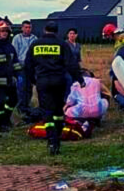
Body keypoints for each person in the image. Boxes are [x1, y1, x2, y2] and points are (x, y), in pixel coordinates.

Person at [25, 22, 84, 155]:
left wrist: (33, 80)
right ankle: (57, 138)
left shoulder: (36, 44)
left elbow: (28, 65)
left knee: (47, 112)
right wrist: (80, 79)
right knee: (58, 111)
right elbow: (71, 64)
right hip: (59, 81)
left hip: (43, 82)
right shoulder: (62, 44)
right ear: (57, 31)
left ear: (45, 30)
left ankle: (51, 140)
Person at [12, 20, 37, 118]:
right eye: (26, 27)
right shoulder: (17, 38)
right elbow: (14, 53)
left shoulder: (35, 38)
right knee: (21, 87)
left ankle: (27, 105)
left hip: (31, 67)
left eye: (29, 27)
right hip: (21, 66)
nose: (28, 29)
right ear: (22, 28)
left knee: (29, 87)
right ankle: (21, 107)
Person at [63, 28, 82, 95]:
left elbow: (79, 57)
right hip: (67, 67)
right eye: (70, 34)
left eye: (73, 34)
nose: (72, 35)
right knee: (69, 81)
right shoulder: (65, 44)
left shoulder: (78, 45)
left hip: (76, 67)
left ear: (76, 35)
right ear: (68, 35)